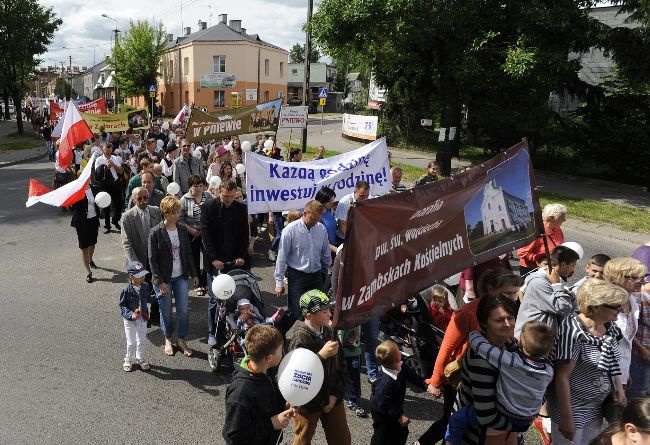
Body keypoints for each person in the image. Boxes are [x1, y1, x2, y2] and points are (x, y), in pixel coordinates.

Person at [419, 271, 512, 445]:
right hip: (460, 378)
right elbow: (446, 348)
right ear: (491, 290)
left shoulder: (506, 312)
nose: (514, 297)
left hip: (491, 377)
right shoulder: (466, 313)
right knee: (451, 419)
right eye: (508, 293)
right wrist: (435, 381)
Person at [445, 321, 555, 445]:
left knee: (457, 418)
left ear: (521, 341)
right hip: (525, 420)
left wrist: (475, 334)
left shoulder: (510, 361)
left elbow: (483, 348)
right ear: (550, 349)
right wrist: (514, 345)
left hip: (503, 414)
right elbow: (526, 362)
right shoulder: (549, 372)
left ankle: (451, 442)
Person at [548, 279, 628, 445]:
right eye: (615, 305)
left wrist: (620, 390)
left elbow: (613, 362)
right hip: (573, 407)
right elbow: (562, 376)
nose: (620, 309)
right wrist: (566, 417)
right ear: (594, 307)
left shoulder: (610, 326)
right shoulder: (573, 330)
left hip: (598, 406)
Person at [285, 290, 351, 445]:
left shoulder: (329, 330)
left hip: (332, 396)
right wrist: (321, 355)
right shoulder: (299, 338)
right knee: (302, 439)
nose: (329, 315)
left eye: (329, 310)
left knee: (342, 439)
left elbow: (341, 365)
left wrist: (336, 394)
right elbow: (298, 375)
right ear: (309, 316)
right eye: (324, 312)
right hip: (308, 402)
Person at [222, 324, 296, 445]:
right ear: (269, 358)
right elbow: (234, 435)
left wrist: (284, 405)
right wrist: (272, 423)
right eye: (281, 349)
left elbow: (269, 398)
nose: (283, 352)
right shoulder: (241, 393)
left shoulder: (269, 370)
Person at [148, 195, 199, 357]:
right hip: (164, 279)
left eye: (178, 212)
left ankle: (181, 339)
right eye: (174, 213)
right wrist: (160, 282)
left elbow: (188, 253)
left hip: (181, 277)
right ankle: (168, 338)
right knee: (166, 311)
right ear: (165, 213)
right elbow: (152, 260)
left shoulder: (182, 230)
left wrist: (194, 274)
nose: (177, 215)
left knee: (183, 310)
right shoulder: (155, 232)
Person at [201, 179, 249, 348]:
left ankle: (227, 328)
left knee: (232, 299)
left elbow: (244, 235)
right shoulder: (208, 207)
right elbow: (206, 236)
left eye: (231, 196)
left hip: (234, 262)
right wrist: (213, 259)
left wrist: (241, 256)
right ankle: (212, 331)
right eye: (225, 196)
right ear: (218, 192)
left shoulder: (241, 209)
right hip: (215, 263)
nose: (228, 200)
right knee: (215, 299)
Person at [274, 200, 332, 328]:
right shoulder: (290, 230)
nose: (315, 222)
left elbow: (325, 252)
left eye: (318, 219)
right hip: (297, 277)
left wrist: (330, 268)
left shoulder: (321, 229)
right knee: (296, 312)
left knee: (317, 311)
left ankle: (313, 339)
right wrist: (279, 282)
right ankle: (288, 337)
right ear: (305, 213)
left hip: (317, 275)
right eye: (313, 219)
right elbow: (282, 257)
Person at [602, 257, 648, 401]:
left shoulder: (632, 300)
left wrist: (625, 373)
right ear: (617, 278)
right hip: (602, 371)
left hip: (620, 370)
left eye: (644, 277)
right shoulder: (605, 302)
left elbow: (626, 336)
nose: (642, 281)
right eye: (636, 277)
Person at [514, 245, 580, 337]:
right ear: (563, 264)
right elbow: (563, 309)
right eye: (573, 265)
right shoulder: (539, 282)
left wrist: (571, 298)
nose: (573, 270)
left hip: (543, 336)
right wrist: (557, 285)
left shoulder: (552, 280)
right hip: (530, 339)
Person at [369, 340, 409, 445]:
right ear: (397, 358)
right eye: (398, 351)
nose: (400, 351)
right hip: (381, 412)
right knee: (381, 437)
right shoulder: (385, 383)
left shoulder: (399, 365)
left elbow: (411, 374)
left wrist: (424, 383)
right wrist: (399, 415)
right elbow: (383, 404)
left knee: (401, 432)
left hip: (393, 406)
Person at [119, 261, 155, 372]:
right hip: (129, 320)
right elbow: (122, 305)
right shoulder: (125, 290)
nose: (142, 277)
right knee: (131, 342)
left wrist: (159, 295)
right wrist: (130, 314)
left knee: (141, 340)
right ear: (131, 276)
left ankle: (141, 358)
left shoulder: (145, 286)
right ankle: (128, 359)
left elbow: (149, 299)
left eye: (143, 275)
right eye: (139, 276)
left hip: (142, 318)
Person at [180, 174, 211, 296]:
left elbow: (212, 212)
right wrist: (191, 230)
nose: (198, 188)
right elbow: (179, 219)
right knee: (194, 259)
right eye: (195, 186)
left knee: (208, 257)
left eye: (200, 185)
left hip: (206, 233)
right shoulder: (184, 199)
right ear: (190, 187)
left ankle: (205, 282)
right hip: (191, 234)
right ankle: (197, 284)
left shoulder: (207, 196)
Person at [517, 203, 567, 276]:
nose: (565, 220)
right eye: (562, 217)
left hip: (551, 268)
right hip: (532, 270)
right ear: (551, 218)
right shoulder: (535, 232)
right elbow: (522, 252)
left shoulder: (558, 230)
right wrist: (540, 259)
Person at [69, 185, 101, 283]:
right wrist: (72, 200)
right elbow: (72, 208)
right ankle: (88, 272)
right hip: (81, 222)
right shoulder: (77, 190)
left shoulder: (94, 188)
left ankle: (90, 260)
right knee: (84, 247)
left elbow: (100, 201)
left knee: (92, 243)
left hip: (93, 220)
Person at [337, 324, 368, 418]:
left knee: (354, 376)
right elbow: (339, 334)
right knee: (336, 374)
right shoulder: (343, 312)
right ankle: (333, 395)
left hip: (355, 351)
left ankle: (353, 400)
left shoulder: (359, 313)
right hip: (341, 352)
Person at [315, 187, 338, 253]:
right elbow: (319, 239)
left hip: (333, 247)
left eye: (332, 201)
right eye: (329, 201)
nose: (332, 203)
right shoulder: (317, 216)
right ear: (322, 200)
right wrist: (336, 250)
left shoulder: (330, 210)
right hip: (324, 252)